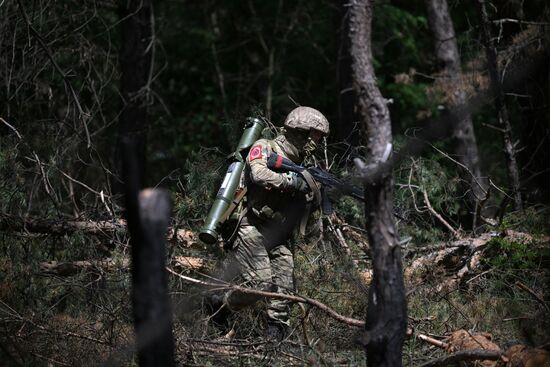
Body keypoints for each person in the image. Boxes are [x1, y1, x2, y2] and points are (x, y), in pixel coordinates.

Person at [206, 106, 330, 341]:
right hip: (248, 225)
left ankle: (275, 339)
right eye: (315, 137)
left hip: (276, 232)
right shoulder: (265, 146)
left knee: (284, 286)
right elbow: (259, 175)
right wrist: (292, 182)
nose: (317, 143)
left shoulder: (302, 164)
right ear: (301, 132)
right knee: (260, 284)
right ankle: (219, 305)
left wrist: (313, 192)